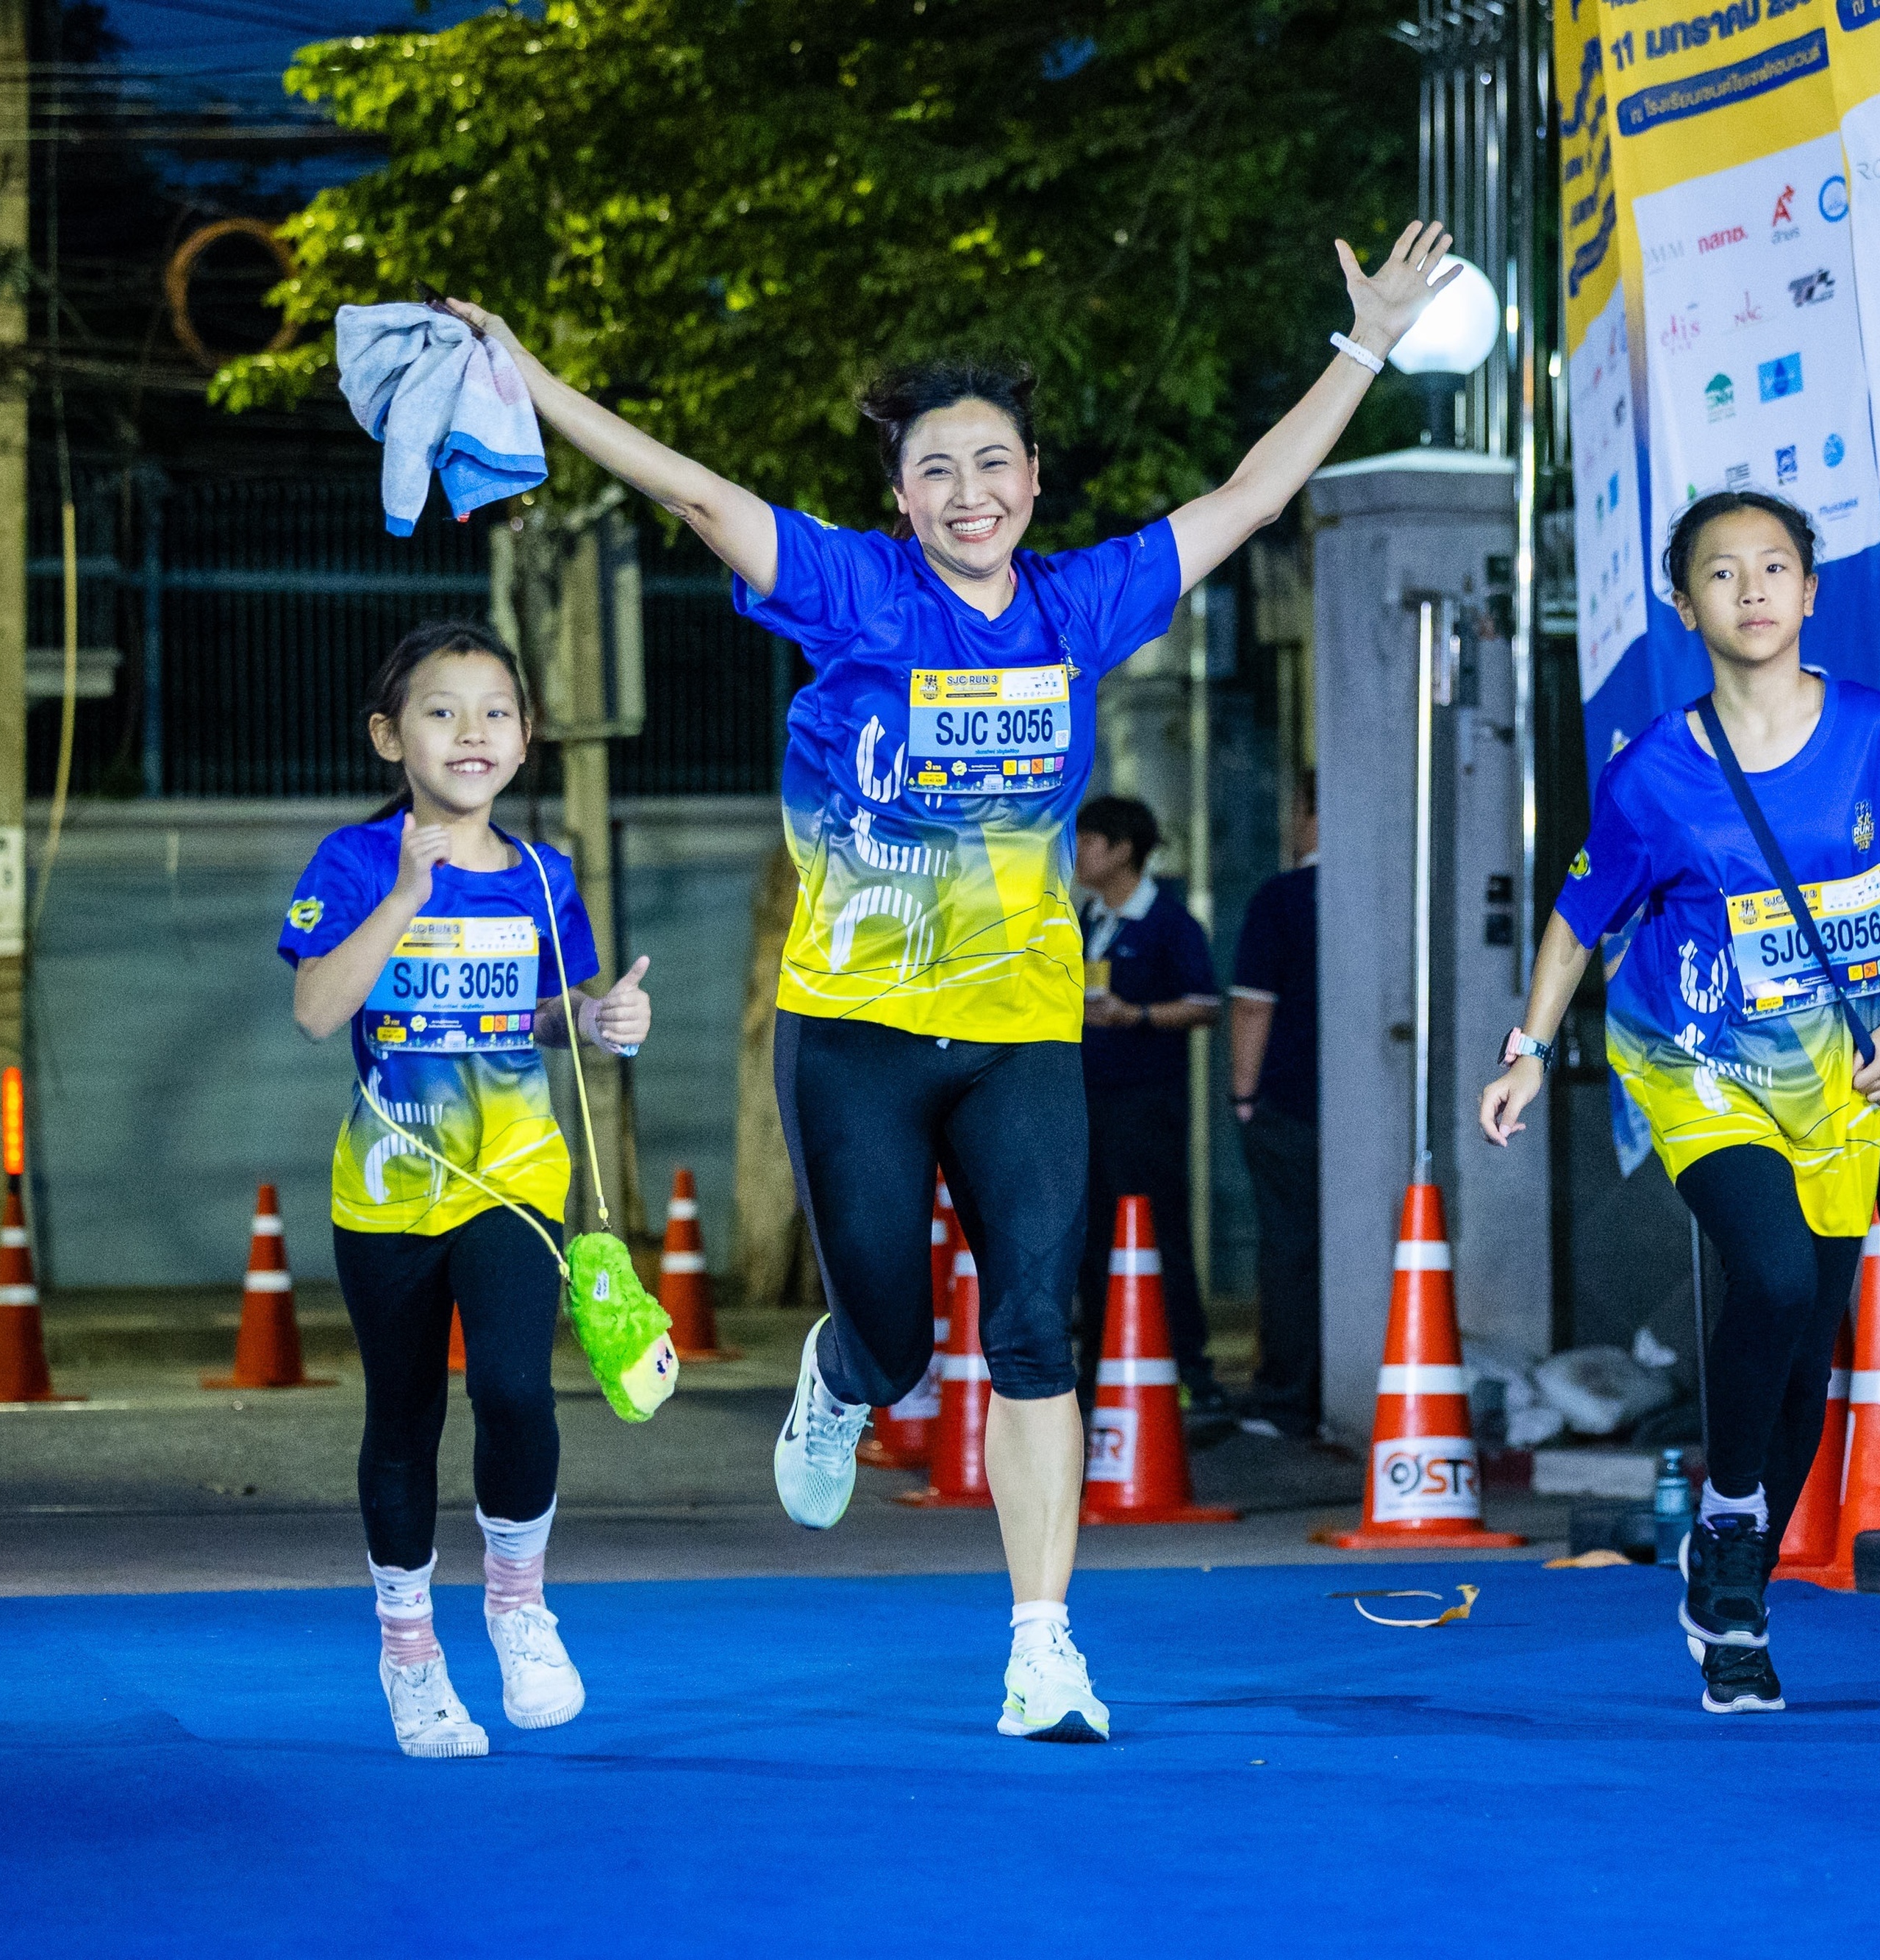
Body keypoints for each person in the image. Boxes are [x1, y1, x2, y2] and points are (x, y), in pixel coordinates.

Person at [437, 216, 1461, 1745]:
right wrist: (527, 378)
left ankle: (1043, 1648)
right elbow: (692, 490)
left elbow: (1249, 497)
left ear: (1032, 481)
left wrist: (1365, 342)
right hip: (852, 1032)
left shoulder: (1079, 603)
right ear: (900, 498)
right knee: (902, 1339)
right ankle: (841, 1376)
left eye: (992, 464)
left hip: (1018, 1031)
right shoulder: (852, 590)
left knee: (1036, 1331)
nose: (967, 490)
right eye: (935, 470)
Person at [1476, 492, 1880, 1715]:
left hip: (1841, 1076)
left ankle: (1730, 1571)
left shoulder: (1878, 736)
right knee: (1773, 1272)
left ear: (1811, 593)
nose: (1751, 589)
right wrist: (1528, 1049)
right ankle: (1738, 1525)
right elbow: (1579, 917)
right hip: (1696, 1060)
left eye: (1774, 567)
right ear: (1684, 602)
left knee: (1809, 1349)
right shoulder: (1657, 771)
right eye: (1722, 572)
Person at [281, 620, 656, 1759]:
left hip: (515, 1176)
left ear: (526, 737)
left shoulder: (544, 874)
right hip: (387, 1189)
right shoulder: (353, 860)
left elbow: (543, 1014)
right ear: (390, 736)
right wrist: (405, 892)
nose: (471, 731)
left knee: (515, 1389)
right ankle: (409, 1654)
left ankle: (518, 1606)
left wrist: (599, 1017)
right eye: (441, 711)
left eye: (495, 711)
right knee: (404, 1418)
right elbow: (316, 1011)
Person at [1071, 795, 1223, 1406]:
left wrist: (1135, 1015)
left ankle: (1190, 1368)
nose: (1077, 854)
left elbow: (1205, 1004)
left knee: (1157, 1230)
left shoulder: (1168, 922)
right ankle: (1096, 1366)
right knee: (1092, 1234)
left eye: (1088, 842)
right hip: (1087, 1099)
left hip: (1145, 1103)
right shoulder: (1085, 919)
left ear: (1123, 850)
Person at [1228, 771, 1320, 1440]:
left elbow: (1252, 1007)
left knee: (1289, 1249)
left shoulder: (1283, 898)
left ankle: (1288, 1398)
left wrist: (1243, 1094)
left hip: (1289, 1100)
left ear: (1312, 814)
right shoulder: (1380, 893)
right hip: (1368, 1111)